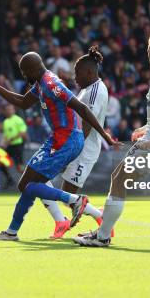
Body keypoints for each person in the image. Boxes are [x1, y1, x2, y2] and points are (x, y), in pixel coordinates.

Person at [74, 22, 150, 247]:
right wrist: (148, 129)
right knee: (119, 179)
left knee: (119, 180)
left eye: (148, 49)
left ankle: (103, 236)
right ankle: (102, 233)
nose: (147, 53)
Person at [0, 52, 117, 241]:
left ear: (32, 69)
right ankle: (14, 232)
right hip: (57, 139)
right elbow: (23, 103)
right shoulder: (40, 84)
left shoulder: (52, 85)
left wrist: (104, 135)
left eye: (23, 71)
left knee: (29, 184)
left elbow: (82, 108)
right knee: (26, 185)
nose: (23, 76)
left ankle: (74, 203)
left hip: (67, 140)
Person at [40, 46, 109, 239]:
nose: (75, 77)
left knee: (67, 194)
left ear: (89, 72)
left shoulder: (96, 91)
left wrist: (70, 150)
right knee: (41, 177)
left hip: (83, 150)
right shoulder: (87, 89)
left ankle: (100, 217)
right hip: (74, 145)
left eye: (77, 73)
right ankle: (66, 220)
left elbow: (87, 124)